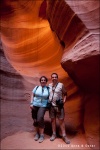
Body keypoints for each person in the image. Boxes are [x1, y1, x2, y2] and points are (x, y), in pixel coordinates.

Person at [48, 73, 70, 144]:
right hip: (51, 106)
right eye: (53, 77)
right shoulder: (49, 85)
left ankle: (64, 135)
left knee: (61, 120)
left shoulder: (61, 85)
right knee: (52, 120)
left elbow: (65, 93)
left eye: (55, 77)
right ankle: (54, 134)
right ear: (51, 78)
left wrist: (63, 101)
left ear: (57, 78)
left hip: (59, 106)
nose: (54, 78)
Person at [30, 76, 49, 143]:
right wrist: (31, 103)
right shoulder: (36, 87)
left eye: (44, 80)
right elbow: (32, 95)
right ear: (40, 81)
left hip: (43, 106)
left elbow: (50, 97)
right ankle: (37, 134)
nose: (43, 81)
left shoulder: (48, 89)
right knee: (35, 120)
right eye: (42, 80)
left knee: (40, 118)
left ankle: (41, 135)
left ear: (46, 82)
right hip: (35, 105)